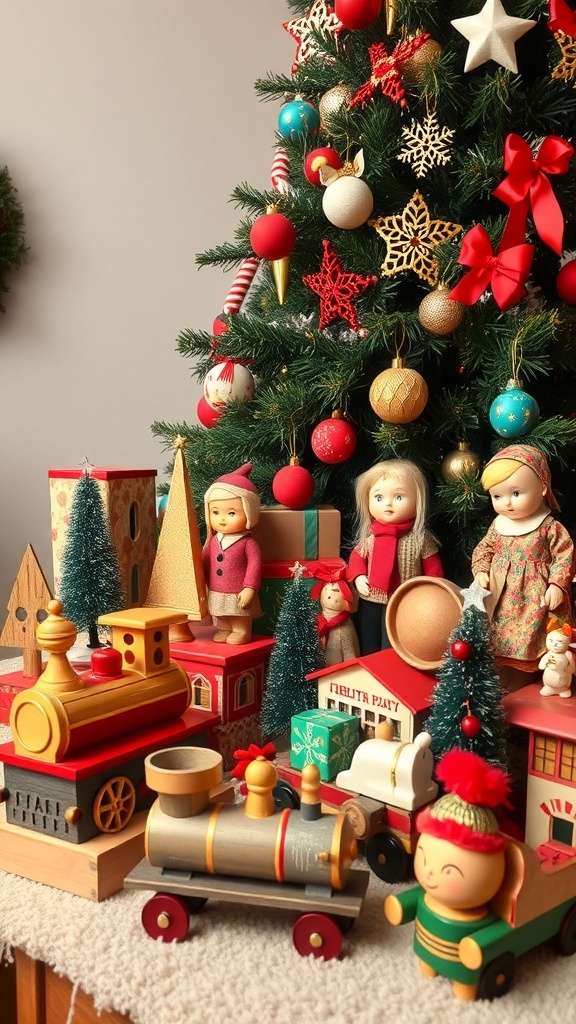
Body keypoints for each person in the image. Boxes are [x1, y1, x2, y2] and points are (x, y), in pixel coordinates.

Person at [384, 749, 512, 1002]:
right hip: (426, 945)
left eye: (449, 871)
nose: (430, 872)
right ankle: (428, 964)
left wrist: (476, 946)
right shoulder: (428, 897)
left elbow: (491, 936)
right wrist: (401, 906)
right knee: (426, 959)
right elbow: (413, 901)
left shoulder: (480, 916)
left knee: (464, 981)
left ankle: (464, 987)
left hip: (464, 959)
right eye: (422, 857)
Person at [471, 444, 574, 686]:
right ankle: (499, 681)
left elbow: (564, 556)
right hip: (501, 596)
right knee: (496, 637)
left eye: (516, 493)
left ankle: (529, 680)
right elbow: (484, 548)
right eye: (497, 496)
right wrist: (481, 570)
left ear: (542, 487)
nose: (507, 503)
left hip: (534, 599)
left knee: (533, 638)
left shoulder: (549, 527)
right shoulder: (498, 525)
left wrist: (557, 585)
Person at [347, 459, 443, 655]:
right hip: (371, 597)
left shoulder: (420, 539)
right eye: (379, 497)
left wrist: (431, 592)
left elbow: (434, 569)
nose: (388, 504)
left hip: (405, 600)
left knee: (396, 639)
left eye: (398, 497)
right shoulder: (371, 538)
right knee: (369, 635)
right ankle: (370, 661)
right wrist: (358, 577)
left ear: (417, 501)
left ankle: (392, 664)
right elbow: (356, 559)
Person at [202, 463, 262, 645]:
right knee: (221, 612)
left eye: (231, 513)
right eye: (215, 512)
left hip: (238, 590)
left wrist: (249, 587)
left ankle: (241, 630)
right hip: (216, 589)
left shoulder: (247, 543)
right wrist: (200, 579)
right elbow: (205, 561)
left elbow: (254, 565)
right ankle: (224, 628)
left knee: (239, 612)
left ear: (249, 513)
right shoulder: (213, 541)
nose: (222, 518)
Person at [311, 564, 360, 667]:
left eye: (336, 591)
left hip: (338, 671)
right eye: (326, 590)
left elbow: (350, 655)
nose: (329, 595)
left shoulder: (344, 629)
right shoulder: (319, 622)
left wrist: (351, 668)